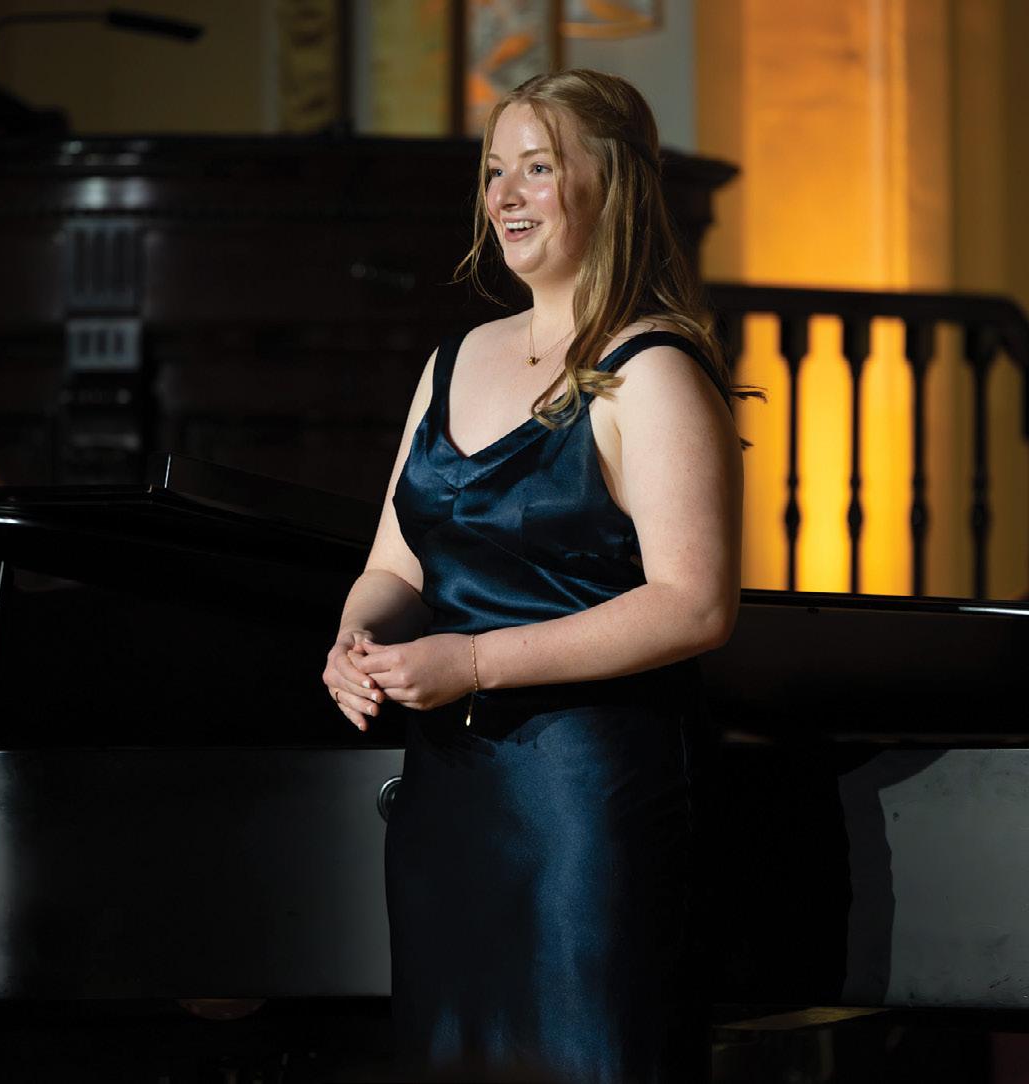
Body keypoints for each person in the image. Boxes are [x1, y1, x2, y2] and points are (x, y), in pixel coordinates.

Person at [321, 70, 745, 1083]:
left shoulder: (651, 371)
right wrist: (354, 639)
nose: (505, 196)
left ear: (611, 186)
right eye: (492, 172)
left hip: (581, 805)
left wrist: (473, 661)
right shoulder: (454, 357)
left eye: (538, 168)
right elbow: (393, 562)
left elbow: (693, 605)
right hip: (446, 798)